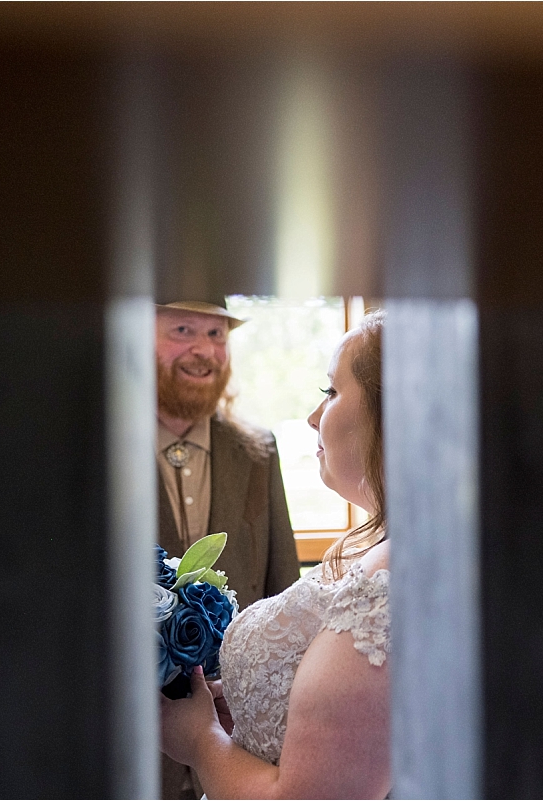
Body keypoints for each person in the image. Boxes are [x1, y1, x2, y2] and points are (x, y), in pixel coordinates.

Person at [161, 311, 391, 799]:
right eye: (182, 330)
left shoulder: (388, 583)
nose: (312, 416)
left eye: (330, 391)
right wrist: (250, 702)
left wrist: (200, 741)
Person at [154, 299, 303, 798]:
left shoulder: (258, 451)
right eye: (182, 329)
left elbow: (284, 592)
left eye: (217, 335)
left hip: (238, 753)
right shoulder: (93, 447)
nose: (204, 351)